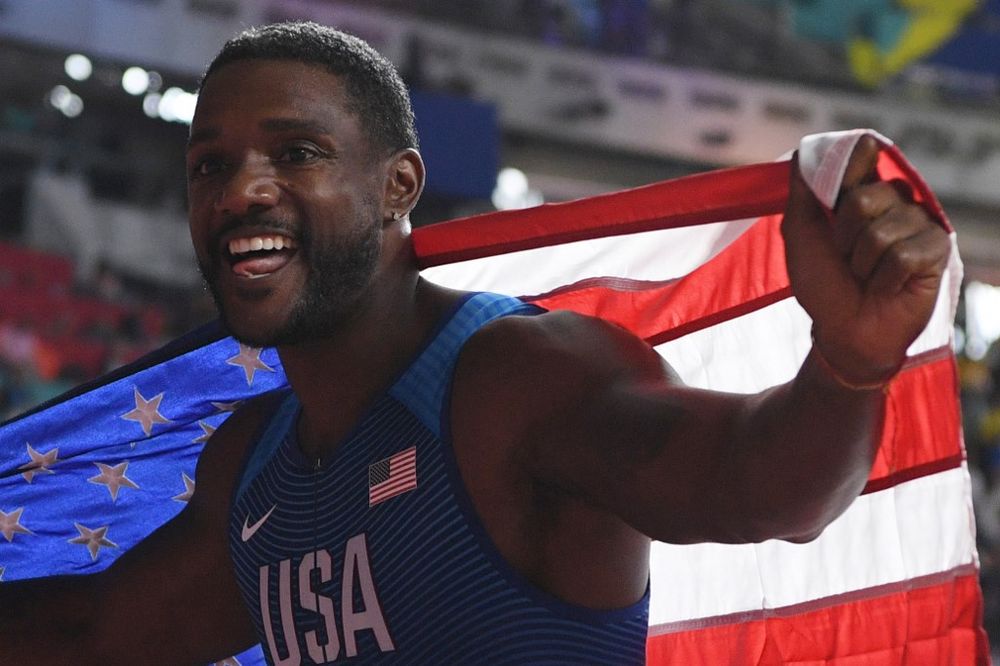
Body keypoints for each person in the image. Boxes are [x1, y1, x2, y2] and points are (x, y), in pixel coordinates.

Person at [1, 21, 951, 665]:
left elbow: (759, 484)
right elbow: (95, 635)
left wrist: (849, 363)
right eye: (211, 164)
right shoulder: (251, 465)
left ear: (398, 186)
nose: (241, 189)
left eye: (297, 153)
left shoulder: (520, 380)